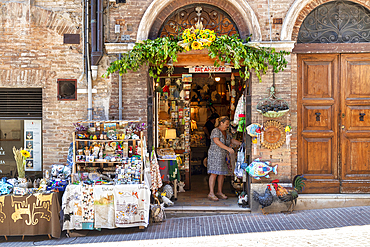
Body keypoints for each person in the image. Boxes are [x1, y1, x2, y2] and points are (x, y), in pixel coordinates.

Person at [207, 116, 241, 201]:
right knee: (214, 173)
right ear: (221, 123)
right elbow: (216, 141)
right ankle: (211, 193)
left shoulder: (227, 133)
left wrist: (241, 143)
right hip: (215, 155)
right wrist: (228, 149)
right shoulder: (215, 131)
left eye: (228, 124)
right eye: (226, 124)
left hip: (222, 155)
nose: (227, 125)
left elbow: (232, 140)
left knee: (222, 174)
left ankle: (219, 192)